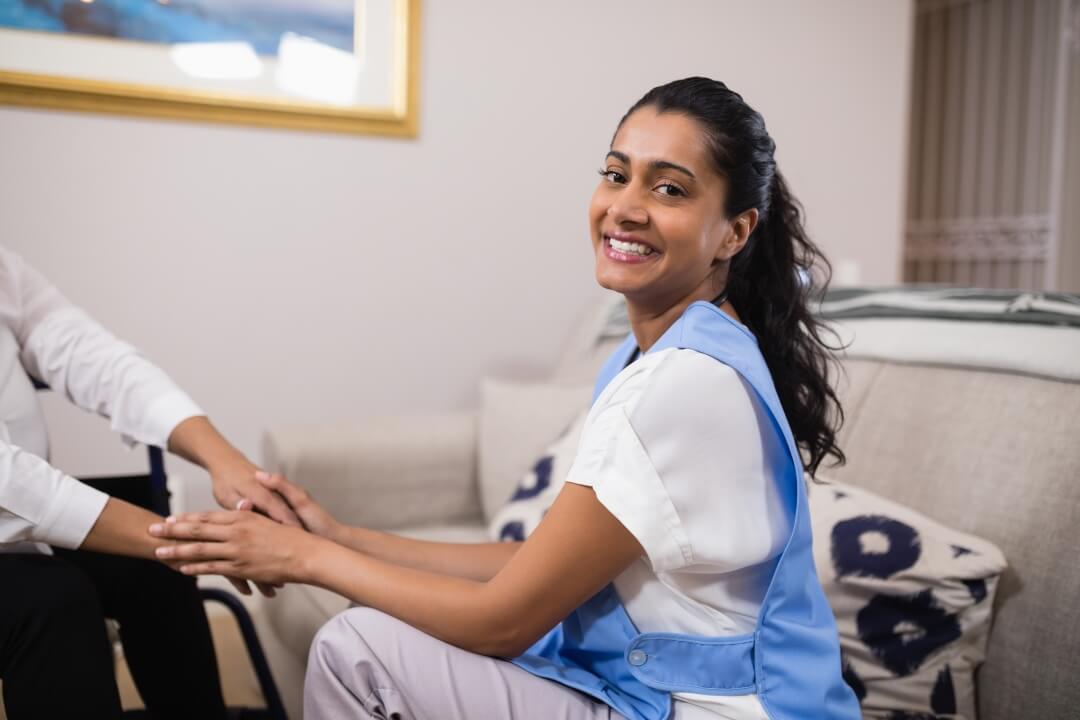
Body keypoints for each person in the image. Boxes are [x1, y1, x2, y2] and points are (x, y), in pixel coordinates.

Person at [152, 77, 861, 719]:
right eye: (617, 175)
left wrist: (300, 559)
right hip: (656, 693)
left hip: (708, 710)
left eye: (669, 190)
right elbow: (531, 563)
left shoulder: (683, 383)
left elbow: (503, 621)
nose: (626, 207)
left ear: (735, 232)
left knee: (357, 650)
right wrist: (338, 537)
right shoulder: (659, 355)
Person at [0, 245, 300, 720]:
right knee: (55, 600)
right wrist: (193, 541)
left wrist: (225, 460)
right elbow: (9, 484)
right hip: (16, 518)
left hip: (22, 532)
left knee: (155, 569)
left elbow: (92, 357)